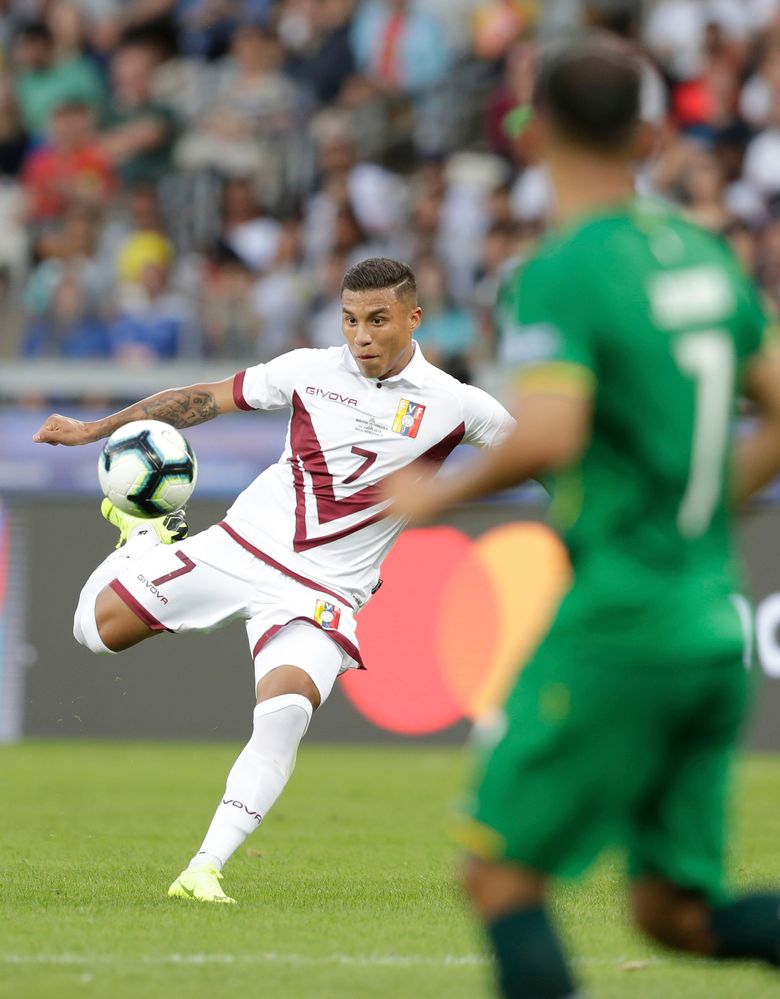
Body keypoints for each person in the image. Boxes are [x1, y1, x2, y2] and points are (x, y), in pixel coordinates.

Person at [388, 42, 780, 998]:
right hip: (704, 624)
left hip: (619, 625)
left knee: (500, 875)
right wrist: (695, 503)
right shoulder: (700, 251)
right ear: (648, 136)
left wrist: (428, 497)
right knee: (672, 915)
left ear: (534, 135)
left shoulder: (562, 269)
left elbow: (552, 432)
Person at [32, 256, 514, 904]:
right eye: (350, 320)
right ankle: (143, 533)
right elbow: (200, 398)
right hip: (241, 548)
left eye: (377, 320)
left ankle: (204, 868)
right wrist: (96, 428)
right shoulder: (308, 371)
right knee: (94, 631)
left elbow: (545, 452)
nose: (361, 335)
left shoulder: (456, 406)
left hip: (322, 594)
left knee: (284, 712)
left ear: (413, 318)